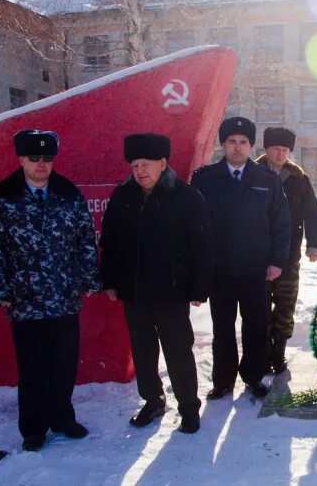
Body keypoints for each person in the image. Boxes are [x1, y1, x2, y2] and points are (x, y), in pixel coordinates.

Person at [0, 129, 100, 451]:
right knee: (32, 366)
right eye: (35, 158)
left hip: (63, 294)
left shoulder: (69, 193)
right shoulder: (4, 196)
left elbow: (85, 240)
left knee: (64, 362)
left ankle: (62, 417)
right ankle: (33, 427)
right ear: (21, 159)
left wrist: (87, 279)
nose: (42, 164)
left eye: (48, 158)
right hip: (24, 296)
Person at [100, 133, 213, 434]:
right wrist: (110, 280)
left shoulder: (186, 197)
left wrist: (199, 287)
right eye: (135, 165)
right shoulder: (123, 196)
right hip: (133, 290)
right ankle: (152, 400)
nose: (139, 171)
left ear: (163, 163)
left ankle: (189, 407)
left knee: (178, 350)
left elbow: (201, 245)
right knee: (142, 351)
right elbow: (110, 242)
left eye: (146, 164)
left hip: (171, 290)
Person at [191, 117, 290, 399]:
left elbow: (282, 224)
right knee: (222, 328)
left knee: (256, 327)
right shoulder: (205, 179)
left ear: (251, 146)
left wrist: (276, 261)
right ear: (223, 144)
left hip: (255, 269)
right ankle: (223, 381)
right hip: (219, 270)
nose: (237, 147)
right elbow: (195, 227)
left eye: (243, 142)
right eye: (232, 141)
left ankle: (254, 376)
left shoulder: (267, 179)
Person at [255, 127, 317, 375]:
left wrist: (314, 245)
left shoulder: (298, 178)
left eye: (285, 150)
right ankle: (261, 355)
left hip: (289, 257)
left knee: (285, 306)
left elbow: (313, 214)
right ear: (266, 149)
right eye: (276, 148)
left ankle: (278, 353)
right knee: (259, 308)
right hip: (257, 256)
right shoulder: (252, 174)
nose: (281, 153)